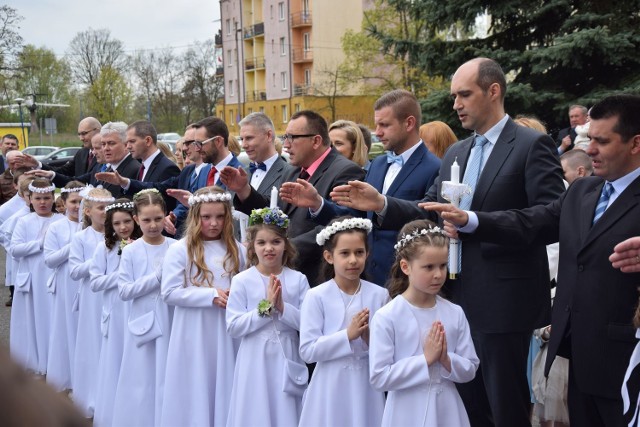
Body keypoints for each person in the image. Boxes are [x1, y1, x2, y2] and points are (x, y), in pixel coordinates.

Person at [331, 57, 565, 426]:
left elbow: (552, 217)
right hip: (449, 297)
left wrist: (475, 221)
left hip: (503, 303)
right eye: (454, 95)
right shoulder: (457, 152)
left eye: (464, 94)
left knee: (503, 407)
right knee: (463, 404)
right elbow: (431, 214)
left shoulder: (530, 145)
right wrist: (382, 204)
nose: (455, 103)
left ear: (493, 91)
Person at [424, 94, 640, 426]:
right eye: (590, 138)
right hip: (579, 352)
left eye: (602, 140)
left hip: (627, 358)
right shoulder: (583, 191)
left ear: (635, 143)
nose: (590, 149)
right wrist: (471, 220)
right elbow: (531, 222)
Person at [221, 110, 365, 286]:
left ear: (316, 141)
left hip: (318, 277)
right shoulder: (294, 170)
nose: (286, 145)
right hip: (287, 274)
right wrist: (244, 190)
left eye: (292, 138)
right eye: (285, 137)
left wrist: (284, 248)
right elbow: (273, 210)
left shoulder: (345, 171)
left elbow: (342, 224)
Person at [369, 220, 479, 427]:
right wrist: (425, 359)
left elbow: (470, 368)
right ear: (405, 266)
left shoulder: (454, 312)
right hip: (405, 411)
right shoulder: (388, 316)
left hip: (448, 410)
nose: (438, 274)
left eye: (443, 265)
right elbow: (379, 377)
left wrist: (446, 359)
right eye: (428, 267)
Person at [160, 187, 247, 427]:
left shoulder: (238, 249)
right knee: (197, 379)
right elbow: (169, 292)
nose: (213, 223)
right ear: (195, 216)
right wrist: (210, 295)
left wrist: (235, 295)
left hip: (227, 328)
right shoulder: (181, 249)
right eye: (206, 217)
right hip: (194, 329)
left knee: (225, 378)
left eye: (220, 216)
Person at [298, 217, 389, 427]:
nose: (353, 260)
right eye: (344, 253)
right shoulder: (317, 296)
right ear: (329, 256)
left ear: (367, 254)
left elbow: (388, 349)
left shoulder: (379, 296)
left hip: (366, 386)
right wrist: (347, 335)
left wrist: (369, 339)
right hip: (329, 384)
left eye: (359, 252)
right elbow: (308, 351)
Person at [226, 207, 309, 426]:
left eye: (275, 242)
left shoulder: (298, 279)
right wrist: (266, 308)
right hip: (254, 357)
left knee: (285, 409)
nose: (269, 248)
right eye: (261, 243)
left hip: (287, 355)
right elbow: (233, 326)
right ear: (252, 246)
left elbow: (308, 324)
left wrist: (282, 307)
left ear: (286, 244)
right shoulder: (242, 280)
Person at [113, 189, 175, 427]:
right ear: (137, 219)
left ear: (166, 216)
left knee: (167, 373)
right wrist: (156, 278)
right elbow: (125, 290)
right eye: (147, 220)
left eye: (158, 219)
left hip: (170, 318)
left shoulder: (174, 247)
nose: (152, 225)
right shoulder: (130, 251)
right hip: (142, 321)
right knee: (142, 376)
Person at [91, 198, 142, 427]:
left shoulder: (141, 245)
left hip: (136, 309)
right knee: (115, 359)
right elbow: (96, 282)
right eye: (118, 223)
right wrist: (121, 273)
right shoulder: (105, 248)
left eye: (127, 222)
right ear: (110, 225)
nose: (123, 227)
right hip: (115, 310)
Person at [9, 178, 63, 376]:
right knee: (32, 319)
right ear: (29, 199)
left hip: (52, 276)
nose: (43, 202)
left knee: (51, 317)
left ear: (53, 199)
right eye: (38, 198)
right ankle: (33, 359)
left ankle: (53, 360)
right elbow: (15, 250)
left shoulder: (60, 220)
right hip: (31, 278)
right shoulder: (24, 221)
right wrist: (40, 243)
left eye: (47, 198)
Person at [69, 186, 114, 418]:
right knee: (92, 342)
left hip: (112, 295)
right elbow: (75, 271)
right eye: (100, 208)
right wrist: (97, 261)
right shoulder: (81, 238)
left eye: (108, 207)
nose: (105, 212)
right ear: (87, 212)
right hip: (91, 296)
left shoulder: (118, 236)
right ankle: (90, 396)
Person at [43, 181, 85, 393]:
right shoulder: (57, 227)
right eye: (74, 202)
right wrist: (74, 245)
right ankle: (66, 376)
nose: (78, 206)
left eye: (81, 202)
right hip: (66, 283)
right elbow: (50, 260)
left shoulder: (91, 226)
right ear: (64, 203)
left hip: (86, 283)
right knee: (67, 328)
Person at [45, 122, 141, 199]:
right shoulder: (101, 167)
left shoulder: (135, 169)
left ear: (125, 145)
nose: (106, 149)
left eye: (111, 143)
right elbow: (76, 182)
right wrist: (51, 174)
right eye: (103, 144)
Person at [124, 120, 181, 211]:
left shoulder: (167, 168)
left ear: (148, 141)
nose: (128, 146)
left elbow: (166, 207)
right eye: (127, 142)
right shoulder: (143, 166)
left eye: (132, 141)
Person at [239, 112, 292, 199]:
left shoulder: (290, 174)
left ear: (269, 136)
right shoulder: (242, 175)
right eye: (242, 139)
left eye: (249, 138)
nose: (243, 145)